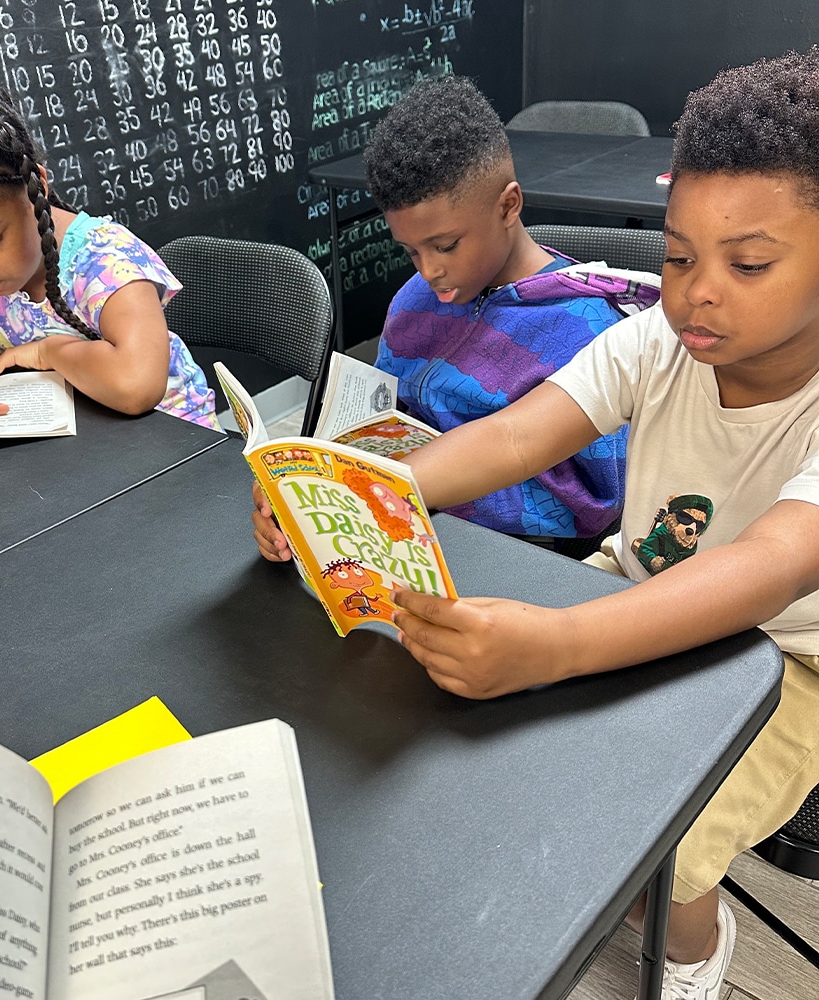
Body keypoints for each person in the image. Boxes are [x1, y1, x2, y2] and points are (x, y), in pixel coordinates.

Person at [315, 50, 818, 1000]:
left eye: (747, 262)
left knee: (665, 844)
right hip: (629, 582)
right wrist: (362, 489)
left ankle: (692, 950)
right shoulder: (655, 343)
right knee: (478, 740)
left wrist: (559, 643)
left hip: (789, 658)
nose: (696, 290)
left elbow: (774, 564)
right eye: (676, 255)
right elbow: (514, 438)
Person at [363, 75, 661, 540]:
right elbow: (380, 413)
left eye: (445, 245)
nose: (429, 271)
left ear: (509, 206)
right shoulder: (413, 302)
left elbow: (590, 507)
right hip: (396, 512)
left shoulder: (587, 334)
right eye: (411, 251)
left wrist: (429, 490)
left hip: (504, 555)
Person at [0, 86, 219, 467]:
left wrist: (47, 350)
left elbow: (138, 387)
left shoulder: (105, 261)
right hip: (74, 447)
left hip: (173, 443)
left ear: (38, 189)